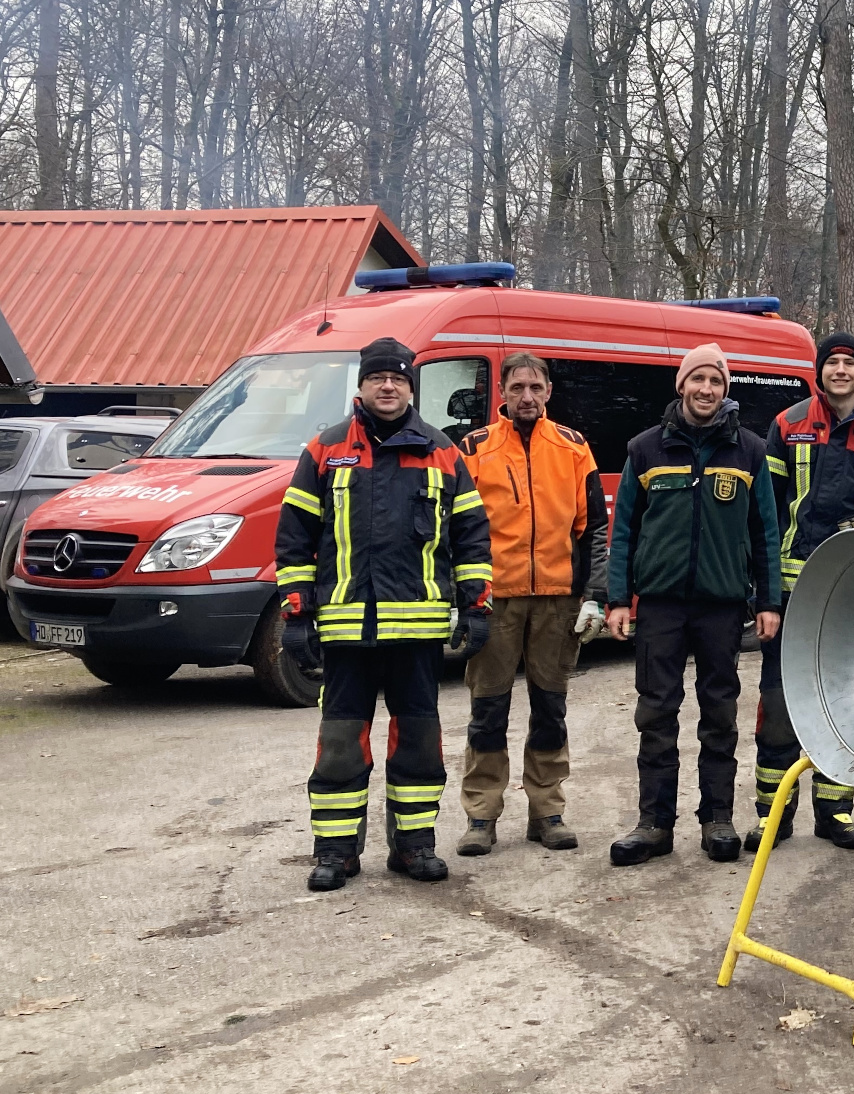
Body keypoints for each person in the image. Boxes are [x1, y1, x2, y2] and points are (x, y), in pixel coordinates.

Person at [276, 337, 493, 892]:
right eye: (378, 379)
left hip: (418, 637)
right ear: (362, 387)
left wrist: (476, 604)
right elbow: (295, 540)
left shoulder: (443, 452)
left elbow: (470, 537)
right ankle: (335, 853)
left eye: (398, 379)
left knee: (418, 745)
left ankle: (415, 847)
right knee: (341, 747)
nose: (388, 387)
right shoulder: (324, 451)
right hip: (345, 633)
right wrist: (296, 615)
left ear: (411, 388)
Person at [604, 343, 782, 865]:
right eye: (698, 379)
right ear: (681, 385)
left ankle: (718, 819)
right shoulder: (644, 448)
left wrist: (767, 601)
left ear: (726, 390)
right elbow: (624, 535)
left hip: (722, 607)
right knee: (656, 715)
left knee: (719, 715)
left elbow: (765, 531)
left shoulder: (748, 451)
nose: (707, 389)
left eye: (717, 382)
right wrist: (618, 599)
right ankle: (654, 824)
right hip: (659, 606)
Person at [751, 332, 854, 852]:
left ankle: (834, 812)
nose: (840, 370)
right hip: (793, 590)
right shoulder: (787, 424)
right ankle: (771, 816)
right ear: (819, 372)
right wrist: (767, 595)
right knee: (777, 705)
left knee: (842, 702)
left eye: (849, 363)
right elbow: (767, 513)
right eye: (832, 363)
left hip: (852, 594)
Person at [453, 352, 609, 857]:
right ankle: (481, 814)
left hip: (557, 602)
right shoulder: (474, 449)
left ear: (548, 392)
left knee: (550, 709)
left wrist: (596, 595)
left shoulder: (572, 447)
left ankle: (548, 809)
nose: (527, 397)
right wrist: (462, 598)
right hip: (494, 600)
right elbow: (456, 529)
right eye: (517, 387)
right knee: (487, 709)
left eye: (536, 387)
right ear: (501, 392)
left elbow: (594, 530)